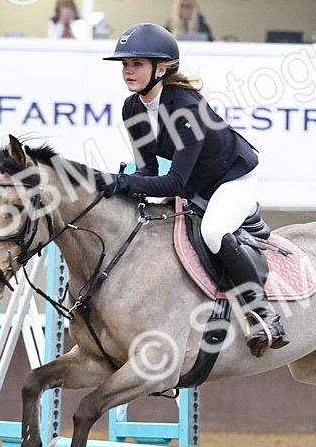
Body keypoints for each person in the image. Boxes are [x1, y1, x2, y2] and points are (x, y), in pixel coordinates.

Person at [100, 22, 287, 356]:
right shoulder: (133, 108)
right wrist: (125, 186)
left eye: (137, 64)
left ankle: (264, 314)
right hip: (196, 186)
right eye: (125, 65)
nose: (128, 71)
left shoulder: (186, 108)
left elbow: (174, 183)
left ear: (162, 68)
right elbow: (148, 170)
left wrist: (123, 183)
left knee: (214, 232)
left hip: (232, 180)